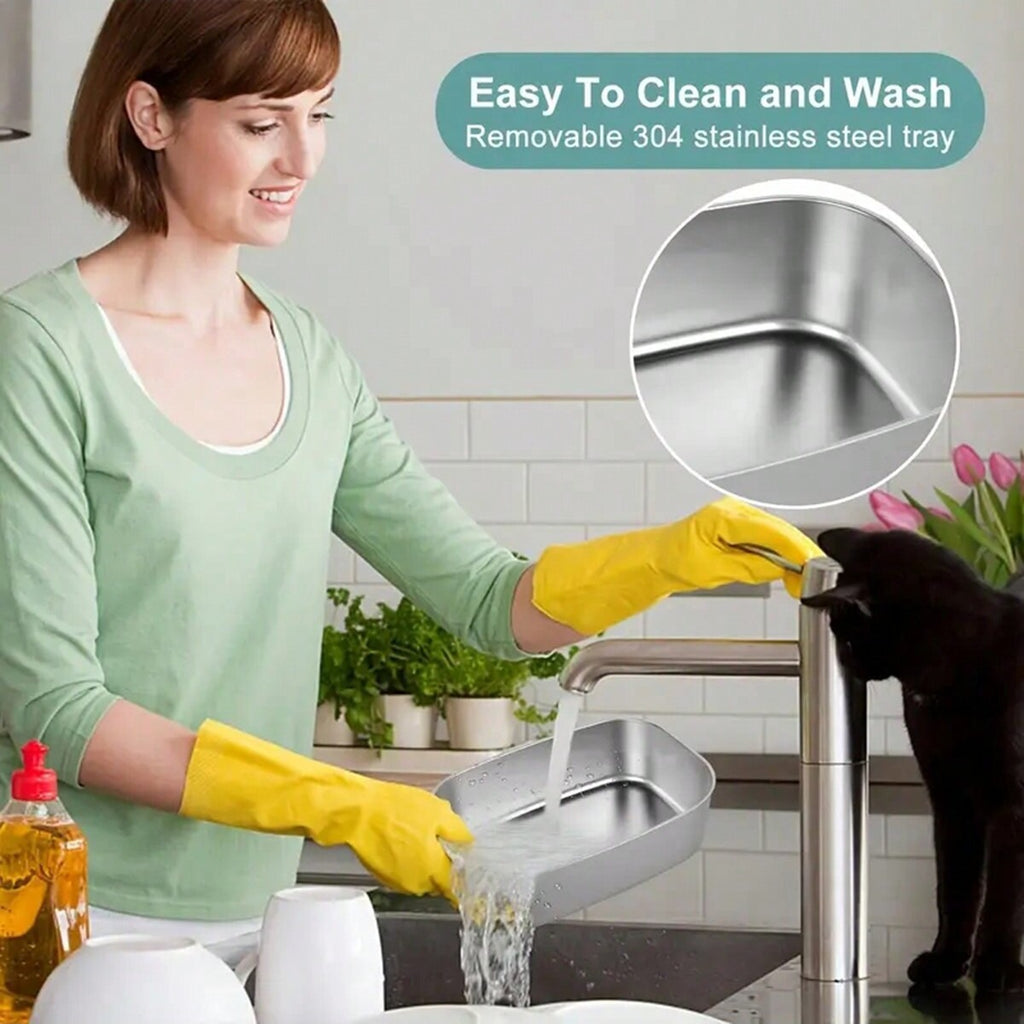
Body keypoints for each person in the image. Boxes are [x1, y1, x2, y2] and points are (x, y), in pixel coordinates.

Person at [0, 0, 822, 961]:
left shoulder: (309, 357)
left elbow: (486, 602)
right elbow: (59, 710)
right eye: (263, 123)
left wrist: (669, 558)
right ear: (151, 117)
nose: (301, 160)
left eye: (321, 114)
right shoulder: (43, 350)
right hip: (78, 914)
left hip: (270, 918)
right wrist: (334, 803)